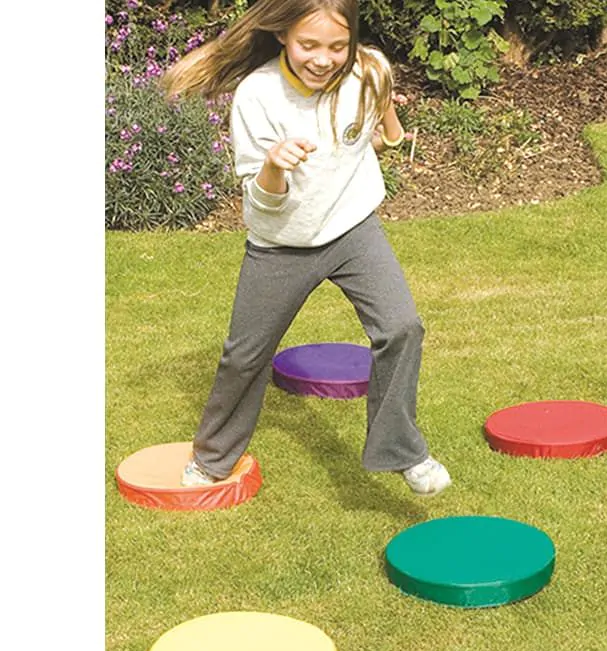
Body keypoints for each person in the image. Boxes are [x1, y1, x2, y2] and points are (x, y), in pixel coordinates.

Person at [161, 0, 451, 496]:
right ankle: (212, 459)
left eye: (338, 46)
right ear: (282, 36)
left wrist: (386, 127)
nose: (323, 58)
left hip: (353, 229)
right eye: (308, 45)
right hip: (281, 245)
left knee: (402, 327)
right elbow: (263, 203)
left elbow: (383, 133)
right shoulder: (258, 96)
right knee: (245, 356)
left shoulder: (368, 70)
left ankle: (403, 450)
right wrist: (274, 165)